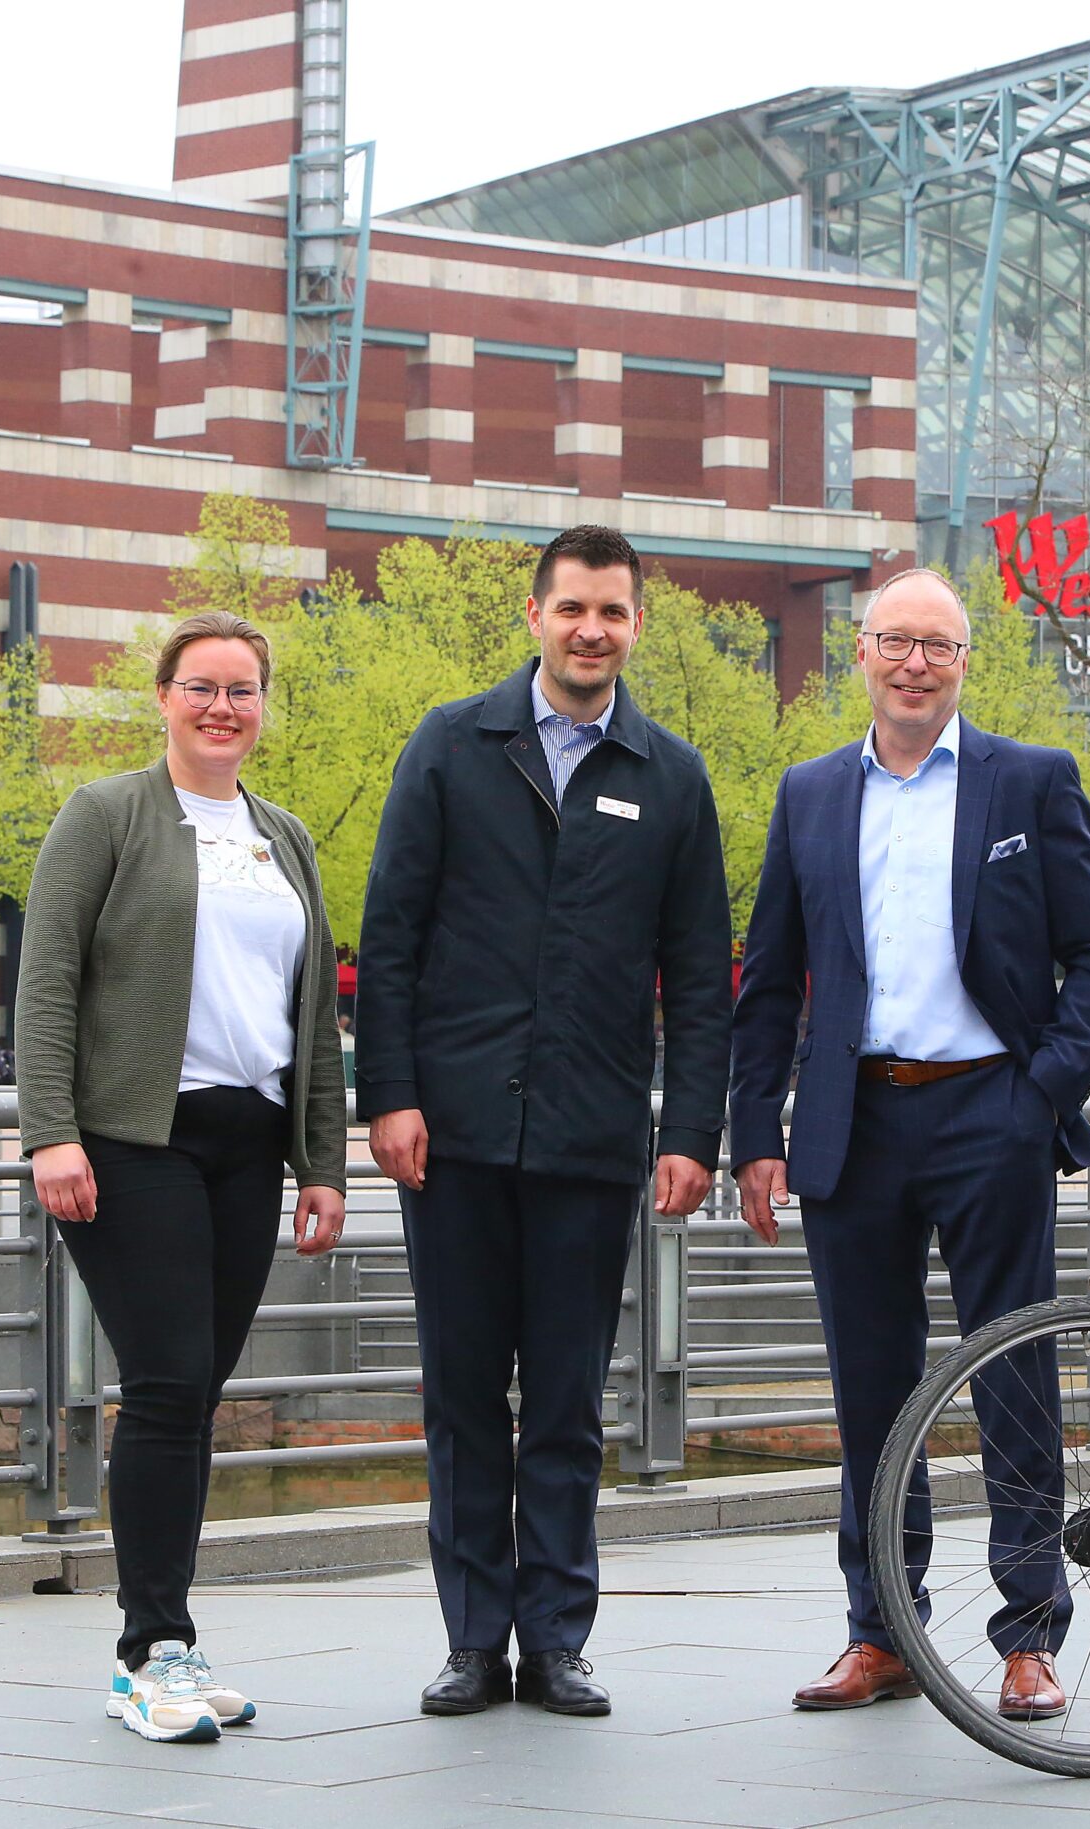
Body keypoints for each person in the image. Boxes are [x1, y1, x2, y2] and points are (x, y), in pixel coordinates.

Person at [729, 568, 1090, 1723]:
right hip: (853, 1121)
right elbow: (767, 982)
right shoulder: (809, 792)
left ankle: (1027, 1635)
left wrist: (1039, 1087)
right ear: (860, 652)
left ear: (965, 661)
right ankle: (880, 1630)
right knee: (870, 1389)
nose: (915, 663)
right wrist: (757, 1129)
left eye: (938, 647)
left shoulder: (1030, 781)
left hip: (987, 1114)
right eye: (896, 642)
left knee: (1012, 1370)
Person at [356, 524, 731, 1720]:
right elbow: (393, 934)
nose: (591, 630)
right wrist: (391, 1094)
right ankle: (474, 1638)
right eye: (573, 608)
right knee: (465, 1396)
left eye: (612, 612)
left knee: (567, 1400)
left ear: (634, 625)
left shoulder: (669, 777)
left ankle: (556, 1636)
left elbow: (701, 978)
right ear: (534, 615)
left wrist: (692, 1131)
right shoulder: (452, 745)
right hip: (453, 1136)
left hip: (591, 1135)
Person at [16, 609, 348, 1744]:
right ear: (161, 696)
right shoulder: (105, 812)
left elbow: (313, 1017)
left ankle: (170, 1637)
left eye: (243, 689)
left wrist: (321, 1157)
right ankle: (149, 1649)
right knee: (163, 1382)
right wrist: (48, 1131)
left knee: (196, 1391)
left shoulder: (285, 835)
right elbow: (48, 976)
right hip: (130, 1140)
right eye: (201, 685)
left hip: (247, 1145)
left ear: (263, 705)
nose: (222, 706)